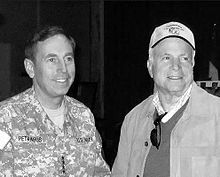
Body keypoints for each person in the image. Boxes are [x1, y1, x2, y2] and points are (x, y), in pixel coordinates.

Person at [111, 21, 220, 177]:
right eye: (166, 58)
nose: (176, 66)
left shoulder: (217, 116)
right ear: (150, 66)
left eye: (184, 58)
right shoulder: (133, 120)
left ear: (193, 64)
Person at [0, 25, 111, 176]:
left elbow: (100, 172)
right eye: (52, 59)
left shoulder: (83, 115)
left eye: (68, 58)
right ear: (30, 68)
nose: (63, 69)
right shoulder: (6, 118)